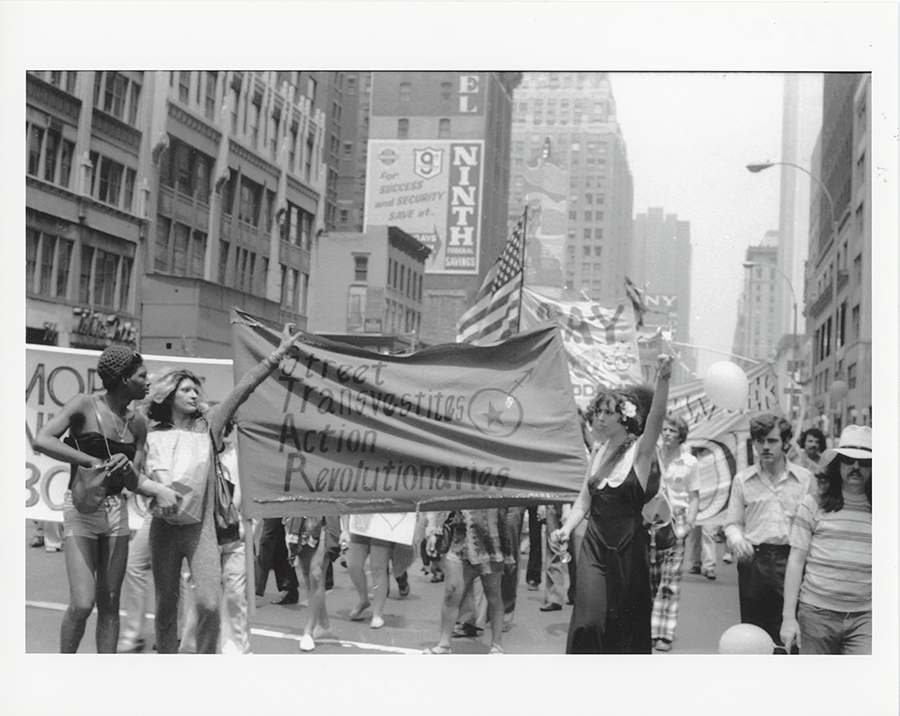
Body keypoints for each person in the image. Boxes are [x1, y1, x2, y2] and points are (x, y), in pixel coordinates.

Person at [143, 323, 303, 654]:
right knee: (165, 608)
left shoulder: (211, 424)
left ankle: (203, 665)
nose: (194, 395)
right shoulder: (151, 430)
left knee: (210, 605)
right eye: (186, 390)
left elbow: (244, 387)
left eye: (195, 390)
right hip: (163, 528)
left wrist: (278, 354)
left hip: (201, 531)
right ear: (170, 394)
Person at [33, 345, 179, 653]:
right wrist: (88, 460)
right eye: (142, 375)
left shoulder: (138, 423)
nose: (148, 380)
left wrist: (127, 470)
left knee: (110, 602)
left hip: (116, 512)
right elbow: (42, 439)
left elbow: (135, 481)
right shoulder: (85, 404)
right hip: (81, 508)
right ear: (125, 379)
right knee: (82, 604)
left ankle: (105, 679)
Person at [549, 354, 674, 654]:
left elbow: (656, 418)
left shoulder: (641, 453)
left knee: (623, 629)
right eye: (598, 412)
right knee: (589, 623)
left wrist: (664, 378)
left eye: (608, 413)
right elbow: (583, 501)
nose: (599, 418)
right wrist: (565, 529)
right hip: (594, 545)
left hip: (629, 550)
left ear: (625, 418)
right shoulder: (598, 451)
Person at [724, 413, 815, 652]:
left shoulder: (804, 480)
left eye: (772, 441)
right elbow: (732, 523)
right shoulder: (743, 480)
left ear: (785, 442)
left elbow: (816, 525)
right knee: (754, 636)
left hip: (792, 561)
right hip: (755, 562)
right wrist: (737, 539)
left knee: (791, 634)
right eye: (759, 440)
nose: (765, 447)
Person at [780, 425, 872, 654]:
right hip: (816, 615)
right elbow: (796, 561)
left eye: (865, 462)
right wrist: (788, 618)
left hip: (867, 617)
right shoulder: (813, 504)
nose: (856, 467)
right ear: (838, 462)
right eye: (849, 459)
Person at [179, 419, 251, 654]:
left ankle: (238, 650)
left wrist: (227, 518)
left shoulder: (236, 455)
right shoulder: (194, 455)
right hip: (201, 537)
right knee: (199, 595)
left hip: (232, 535)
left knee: (235, 595)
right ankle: (191, 647)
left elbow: (240, 495)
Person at [423, 508, 515, 654]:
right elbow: (445, 502)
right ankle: (444, 643)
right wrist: (434, 532)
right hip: (460, 539)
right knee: (451, 592)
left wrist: (507, 550)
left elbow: (503, 510)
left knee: (494, 595)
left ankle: (497, 645)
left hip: (489, 538)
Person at [648, 413, 700, 652]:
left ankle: (665, 633)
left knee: (671, 580)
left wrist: (689, 523)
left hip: (677, 520)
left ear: (681, 436)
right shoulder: (652, 456)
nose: (667, 434)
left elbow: (694, 496)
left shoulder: (690, 463)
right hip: (651, 519)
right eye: (665, 430)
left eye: (672, 431)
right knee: (650, 576)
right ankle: (648, 628)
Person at [287, 515, 342, 652]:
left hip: (326, 519)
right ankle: (324, 624)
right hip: (300, 518)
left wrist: (345, 529)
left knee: (316, 575)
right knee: (308, 577)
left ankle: (308, 631)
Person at [255, 517, 300, 605]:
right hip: (276, 506)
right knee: (278, 542)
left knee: (266, 541)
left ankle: (255, 589)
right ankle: (289, 588)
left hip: (275, 506)